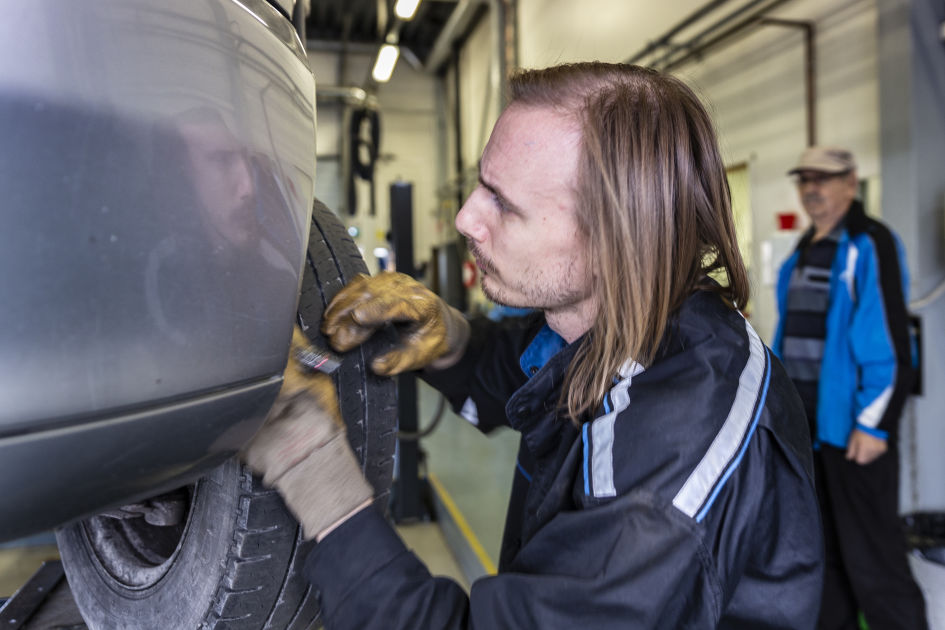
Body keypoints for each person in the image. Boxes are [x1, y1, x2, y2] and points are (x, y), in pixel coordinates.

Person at [244, 62, 824, 628]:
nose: (467, 217)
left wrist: (312, 466)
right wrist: (451, 338)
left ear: (614, 239)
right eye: (481, 183)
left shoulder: (662, 487)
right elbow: (530, 375)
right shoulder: (624, 317)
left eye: (503, 202)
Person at [773, 146, 928, 630]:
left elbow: (891, 346)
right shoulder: (804, 248)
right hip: (809, 432)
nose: (811, 189)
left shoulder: (869, 242)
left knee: (874, 560)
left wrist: (874, 424)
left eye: (823, 178)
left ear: (850, 182)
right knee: (826, 558)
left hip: (853, 434)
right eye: (804, 179)